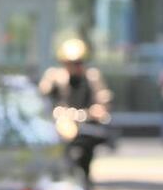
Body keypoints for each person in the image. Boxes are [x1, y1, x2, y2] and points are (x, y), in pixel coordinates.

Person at [38, 38, 113, 173]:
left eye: (79, 63)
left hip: (85, 124)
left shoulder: (92, 78)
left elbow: (103, 98)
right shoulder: (54, 77)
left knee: (88, 147)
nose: (75, 67)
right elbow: (42, 97)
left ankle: (85, 175)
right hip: (60, 124)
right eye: (71, 63)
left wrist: (99, 109)